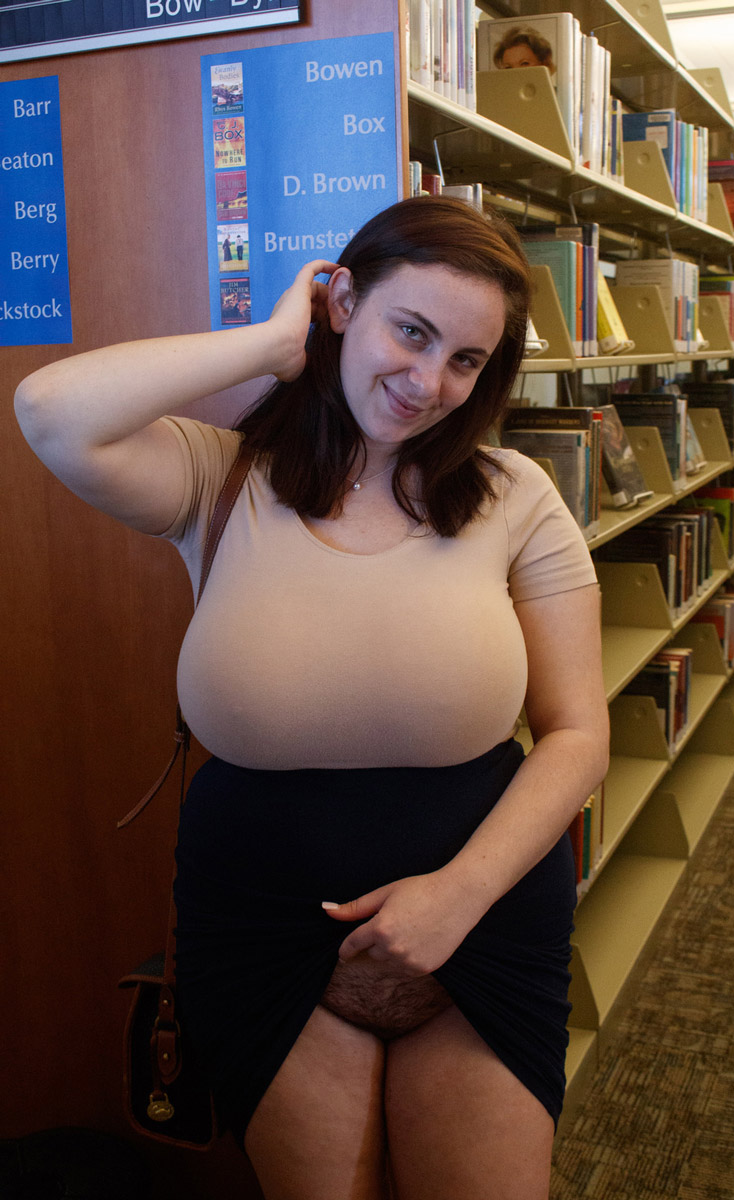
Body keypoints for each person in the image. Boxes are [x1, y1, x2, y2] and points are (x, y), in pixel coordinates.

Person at [14, 195, 608, 1200]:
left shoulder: (515, 495)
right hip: (258, 915)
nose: (428, 383)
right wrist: (268, 341)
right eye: (408, 331)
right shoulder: (216, 478)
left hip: (483, 908)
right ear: (340, 305)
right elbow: (49, 410)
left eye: (466, 360)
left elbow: (576, 733)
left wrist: (454, 897)